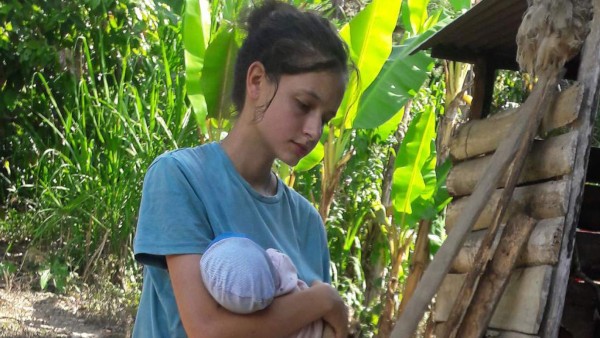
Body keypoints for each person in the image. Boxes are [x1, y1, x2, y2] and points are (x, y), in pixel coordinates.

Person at [131, 0, 351, 337]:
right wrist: (324, 301)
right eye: (304, 105)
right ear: (257, 81)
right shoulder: (180, 178)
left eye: (325, 118)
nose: (314, 130)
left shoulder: (307, 222)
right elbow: (206, 329)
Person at [199, 233, 331, 338]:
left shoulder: (234, 310)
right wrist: (322, 292)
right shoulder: (279, 272)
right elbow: (282, 260)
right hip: (318, 328)